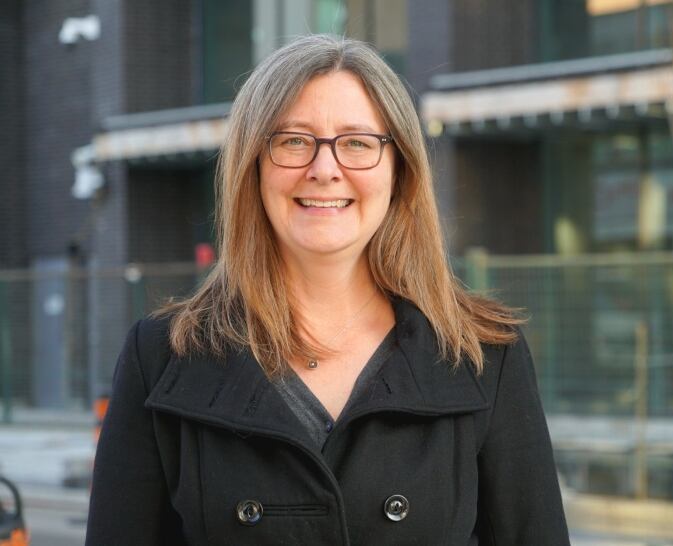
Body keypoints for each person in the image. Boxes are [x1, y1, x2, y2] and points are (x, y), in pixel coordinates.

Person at [85, 34, 570, 545]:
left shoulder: (484, 357)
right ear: (253, 166)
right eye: (294, 140)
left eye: (357, 142)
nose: (324, 169)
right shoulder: (163, 357)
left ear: (399, 171)